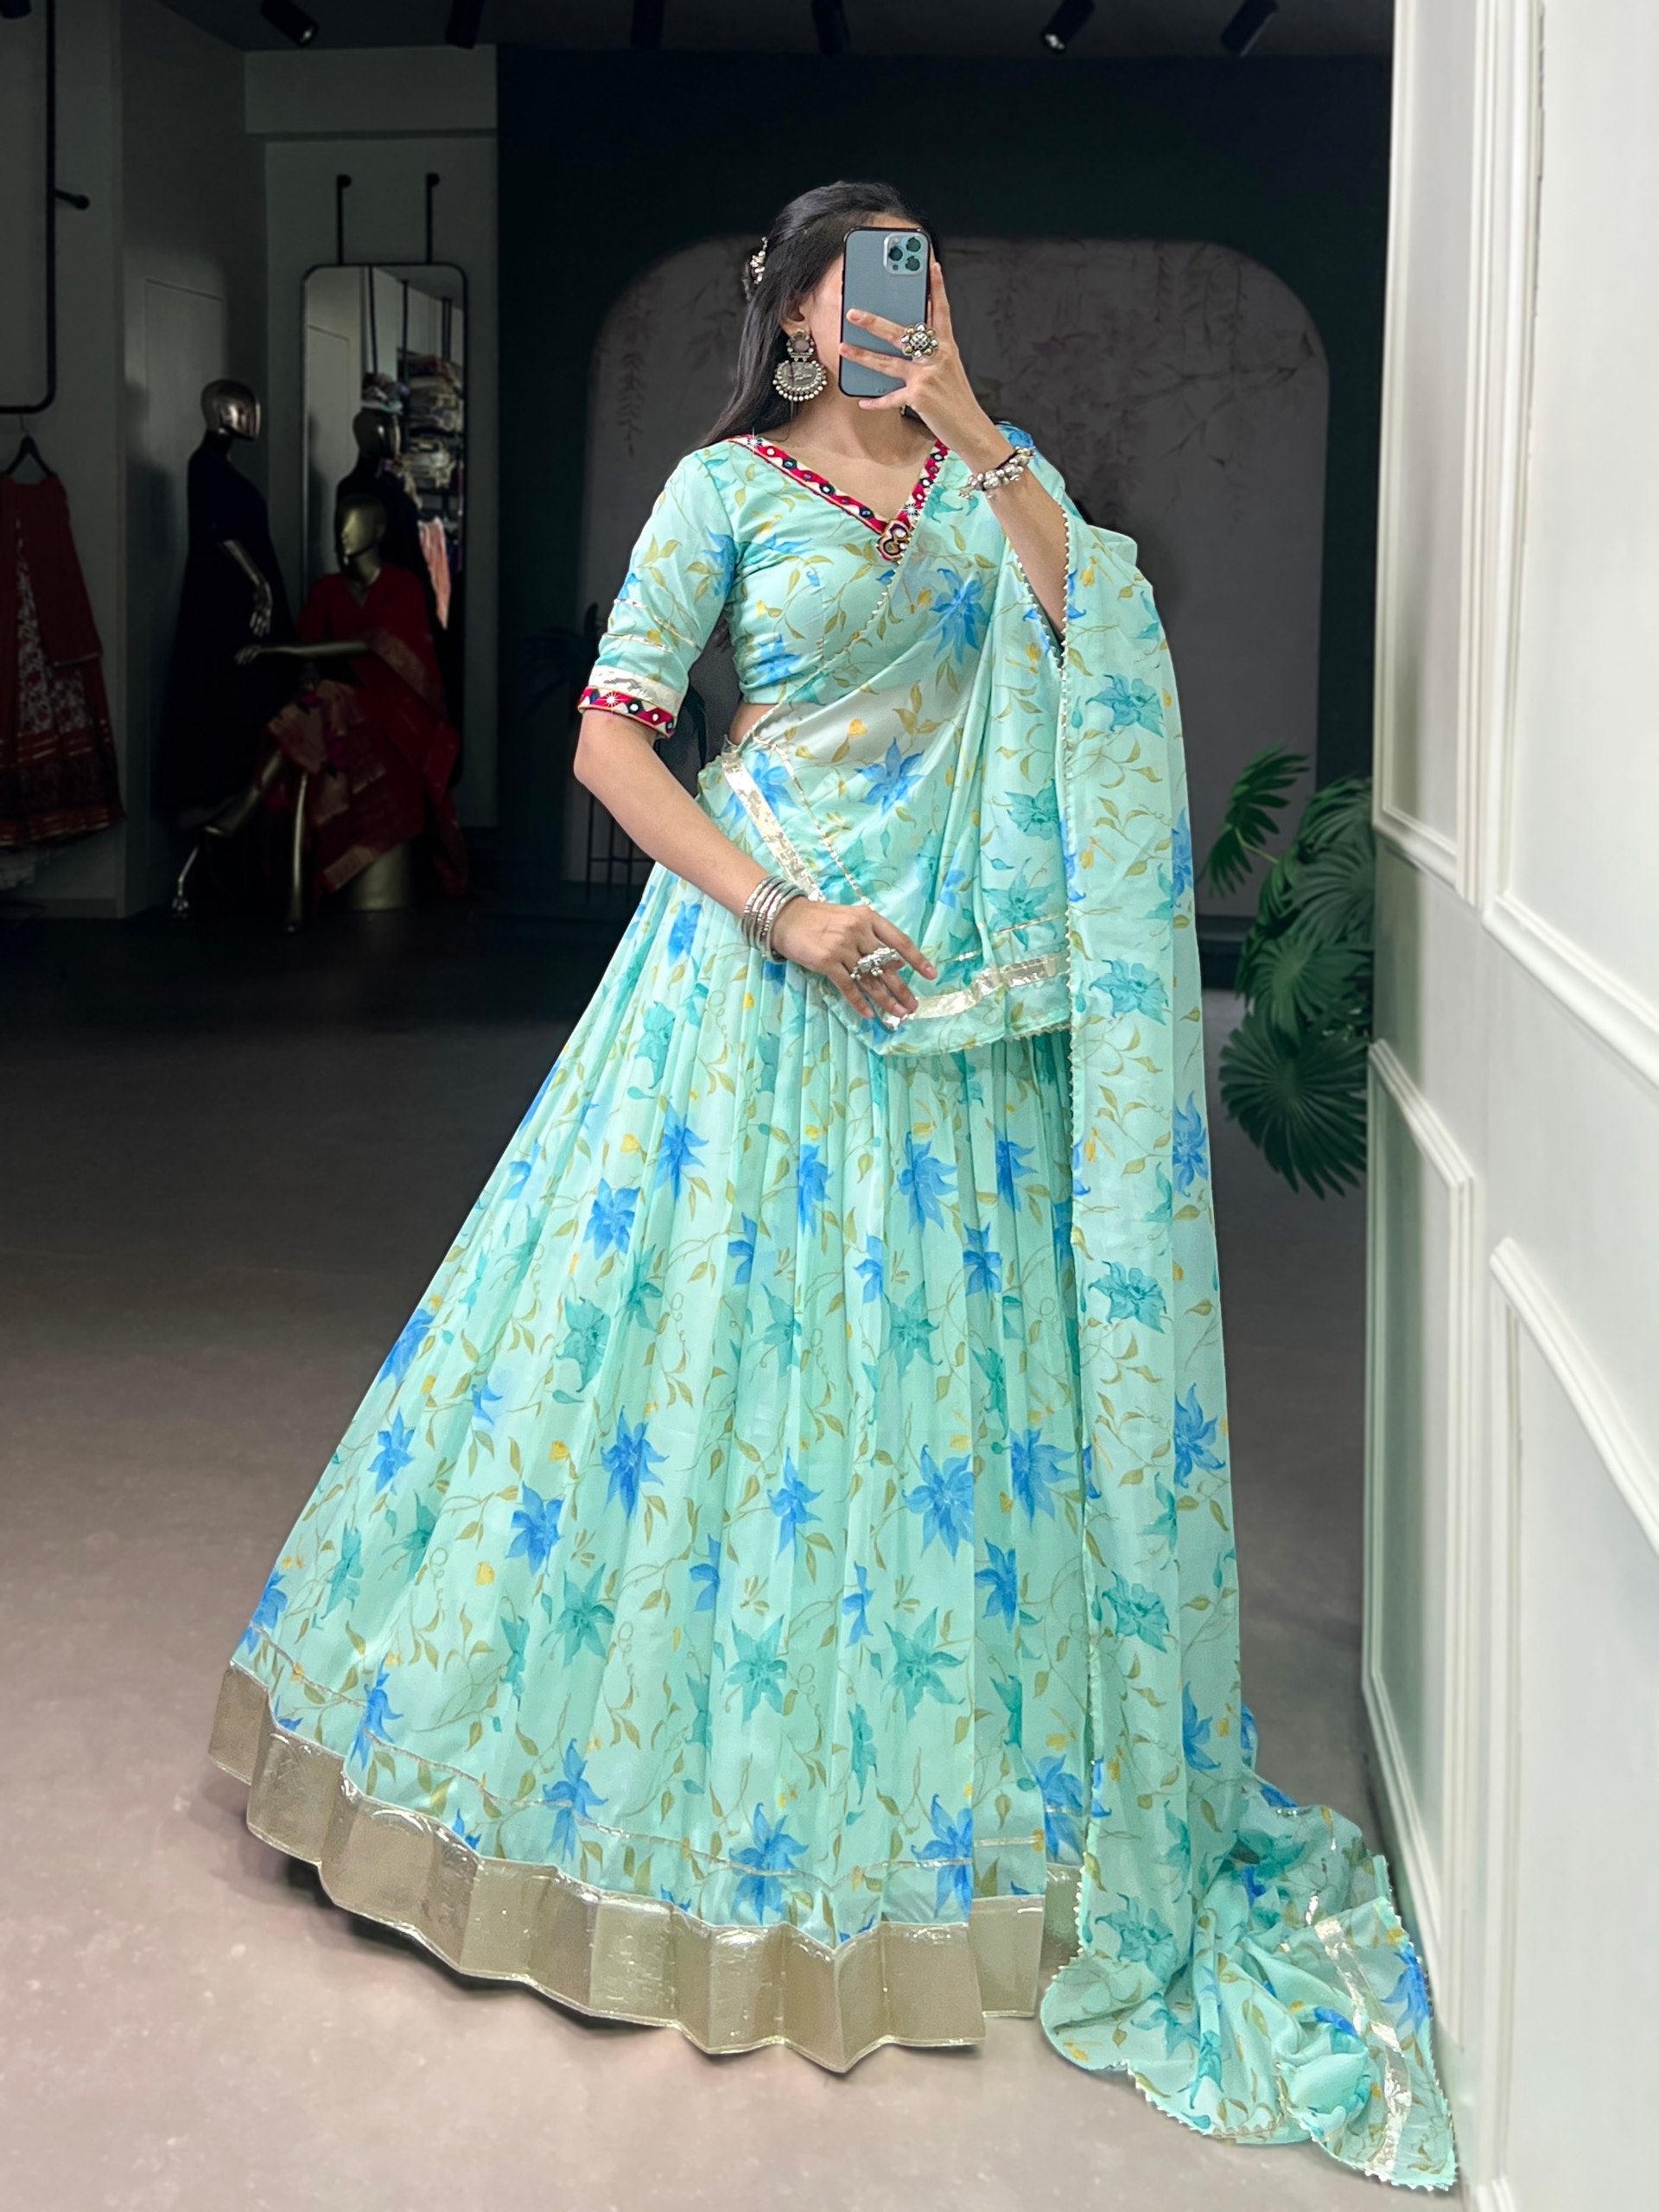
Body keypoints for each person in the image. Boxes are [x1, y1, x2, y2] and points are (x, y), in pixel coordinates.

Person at [207, 181, 1455, 2190]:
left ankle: (979, 1812)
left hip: (956, 1010)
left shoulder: (996, 477)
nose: (900, 303)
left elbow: (1104, 649)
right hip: (759, 980)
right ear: (790, 317)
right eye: (865, 282)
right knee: (690, 1386)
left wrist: (972, 426)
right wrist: (779, 911)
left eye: (924, 275)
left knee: (944, 1415)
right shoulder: (724, 492)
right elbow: (615, 742)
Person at [227, 491, 467, 912]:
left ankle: (247, 801)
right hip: (340, 714)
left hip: (394, 715)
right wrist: (305, 667)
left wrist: (279, 649)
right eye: (338, 522)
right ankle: (292, 888)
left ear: (378, 530)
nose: (342, 532)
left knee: (327, 700)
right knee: (320, 706)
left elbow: (372, 645)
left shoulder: (402, 586)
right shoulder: (328, 589)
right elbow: (310, 641)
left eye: (353, 522)